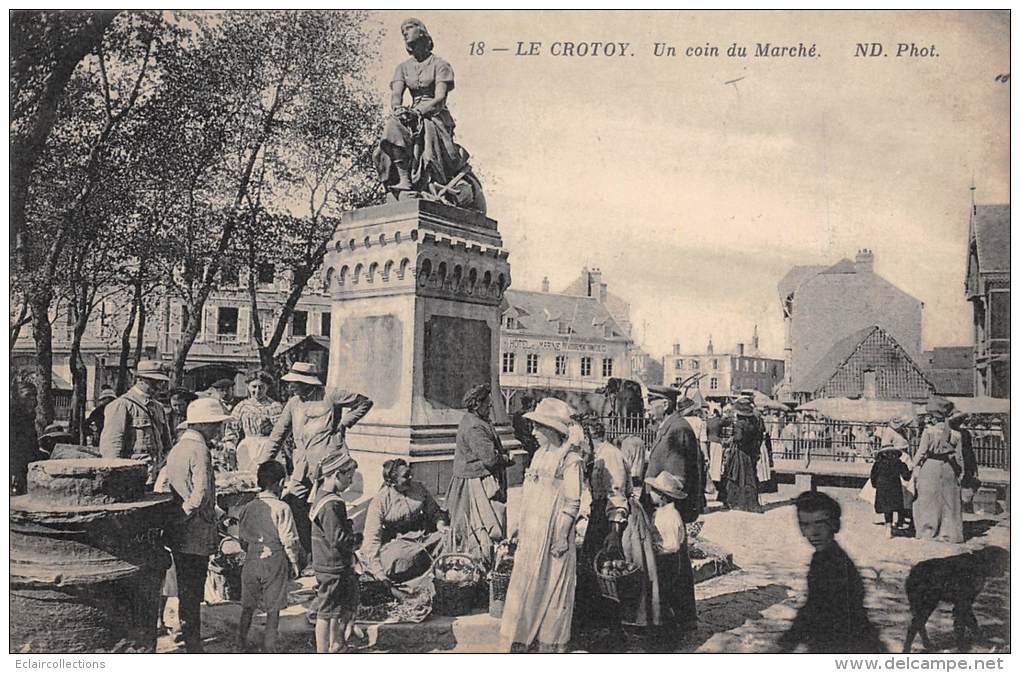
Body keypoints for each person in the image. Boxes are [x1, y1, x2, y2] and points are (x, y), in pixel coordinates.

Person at [258, 361, 373, 556]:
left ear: (306, 383)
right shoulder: (293, 403)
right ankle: (307, 550)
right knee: (293, 504)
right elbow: (278, 435)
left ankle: (331, 551)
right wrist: (263, 465)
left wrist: (344, 423)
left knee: (326, 508)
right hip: (302, 465)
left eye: (294, 382)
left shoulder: (331, 395)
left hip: (329, 464)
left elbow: (364, 402)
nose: (290, 386)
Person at [374, 18, 485, 212]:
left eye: (409, 29)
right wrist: (399, 109)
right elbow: (396, 96)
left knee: (428, 130)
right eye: (403, 32)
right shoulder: (402, 67)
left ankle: (432, 175)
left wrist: (418, 112)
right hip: (410, 113)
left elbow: (440, 99)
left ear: (422, 33)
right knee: (392, 125)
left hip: (435, 114)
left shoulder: (440, 65)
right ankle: (404, 180)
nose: (405, 34)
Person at [499, 398, 584, 653]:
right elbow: (530, 493)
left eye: (538, 427)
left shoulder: (570, 460)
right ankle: (523, 639)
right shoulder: (538, 455)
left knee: (551, 585)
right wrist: (518, 524)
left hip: (553, 535)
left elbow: (572, 501)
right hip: (533, 534)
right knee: (527, 584)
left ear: (552, 430)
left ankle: (548, 645)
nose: (534, 433)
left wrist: (560, 536)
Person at [162, 398, 232, 653]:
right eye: (214, 425)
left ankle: (184, 632)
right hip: (195, 530)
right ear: (202, 424)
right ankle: (193, 645)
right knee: (193, 589)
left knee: (185, 587)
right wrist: (187, 513)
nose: (217, 430)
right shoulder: (199, 449)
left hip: (181, 530)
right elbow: (200, 493)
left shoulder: (178, 447)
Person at [777, 491, 883, 653]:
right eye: (805, 525)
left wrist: (788, 643)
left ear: (834, 525)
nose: (813, 532)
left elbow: (817, 608)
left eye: (820, 523)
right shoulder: (822, 557)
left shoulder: (834, 563)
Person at [236, 460, 302, 654]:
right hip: (274, 559)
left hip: (252, 558)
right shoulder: (282, 508)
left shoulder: (248, 507)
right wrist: (295, 563)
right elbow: (290, 541)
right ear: (280, 483)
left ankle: (240, 644)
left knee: (248, 607)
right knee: (273, 610)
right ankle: (269, 648)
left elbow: (242, 539)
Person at [446, 383, 511, 565]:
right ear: (476, 404)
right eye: (487, 403)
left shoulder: (476, 421)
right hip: (477, 485)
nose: (490, 406)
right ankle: (479, 566)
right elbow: (490, 458)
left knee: (482, 527)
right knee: (482, 526)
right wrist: (507, 458)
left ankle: (480, 565)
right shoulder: (474, 427)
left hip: (477, 479)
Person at [575, 419, 629, 631]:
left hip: (609, 517)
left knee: (603, 570)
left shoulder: (610, 455)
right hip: (597, 513)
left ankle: (610, 626)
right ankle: (593, 622)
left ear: (589, 437)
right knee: (590, 567)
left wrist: (615, 531)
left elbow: (617, 494)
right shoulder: (595, 455)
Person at [360, 459, 448, 584]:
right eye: (406, 476)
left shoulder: (419, 488)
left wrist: (440, 525)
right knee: (399, 559)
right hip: (397, 543)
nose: (411, 477)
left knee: (448, 537)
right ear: (392, 481)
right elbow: (372, 538)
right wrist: (378, 572)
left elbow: (435, 512)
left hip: (423, 537)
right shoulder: (380, 501)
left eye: (410, 473)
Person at [309, 450, 360, 654]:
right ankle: (323, 651)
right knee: (325, 612)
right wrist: (355, 540)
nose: (351, 482)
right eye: (348, 477)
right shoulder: (331, 504)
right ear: (337, 474)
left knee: (334, 609)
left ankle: (336, 644)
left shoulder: (323, 497)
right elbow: (337, 538)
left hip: (328, 563)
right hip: (332, 565)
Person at [100, 360, 174, 487]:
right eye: (153, 381)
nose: (158, 386)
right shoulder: (122, 405)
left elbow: (167, 444)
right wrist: (117, 479)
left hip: (156, 477)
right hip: (132, 477)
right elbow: (111, 448)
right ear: (139, 379)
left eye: (160, 382)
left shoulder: (158, 407)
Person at [618, 435, 662, 629]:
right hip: (638, 514)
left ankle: (637, 614)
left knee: (633, 560)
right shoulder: (641, 470)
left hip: (631, 517)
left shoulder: (624, 467)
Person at [645, 471, 692, 637]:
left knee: (667, 593)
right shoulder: (660, 512)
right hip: (662, 557)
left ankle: (670, 630)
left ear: (663, 496)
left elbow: (672, 544)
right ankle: (664, 627)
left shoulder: (671, 516)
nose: (650, 493)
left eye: (654, 491)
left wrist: (658, 549)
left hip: (668, 559)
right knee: (662, 594)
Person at [912, 397, 965, 543]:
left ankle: (927, 531)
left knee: (928, 500)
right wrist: (960, 473)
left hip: (930, 466)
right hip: (949, 467)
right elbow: (959, 458)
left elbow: (922, 451)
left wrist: (912, 466)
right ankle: (948, 533)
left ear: (933, 416)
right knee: (949, 500)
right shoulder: (956, 434)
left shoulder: (929, 431)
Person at [224, 371, 285, 473]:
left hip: (268, 446)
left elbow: (281, 431)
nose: (257, 390)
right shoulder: (241, 406)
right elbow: (232, 428)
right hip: (247, 447)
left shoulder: (275, 407)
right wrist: (230, 444)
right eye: (254, 387)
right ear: (248, 386)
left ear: (267, 387)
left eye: (261, 387)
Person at [722, 397, 763, 513]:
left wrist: (732, 439)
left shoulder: (740, 424)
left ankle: (736, 502)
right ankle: (750, 503)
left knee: (736, 475)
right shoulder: (754, 423)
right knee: (749, 477)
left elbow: (739, 437)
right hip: (750, 452)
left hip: (740, 452)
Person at [870, 447, 912, 537]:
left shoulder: (878, 463)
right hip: (894, 486)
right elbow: (906, 477)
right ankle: (900, 523)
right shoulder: (898, 463)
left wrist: (875, 485)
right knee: (897, 506)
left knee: (886, 508)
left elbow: (873, 476)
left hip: (882, 486)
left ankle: (888, 527)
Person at [11, 380, 41, 495]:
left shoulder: (29, 415)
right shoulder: (12, 415)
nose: (33, 399)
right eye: (28, 395)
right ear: (16, 397)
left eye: (34, 395)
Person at [512, 396, 539, 468]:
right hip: (527, 441)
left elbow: (514, 427)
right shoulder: (528, 415)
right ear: (528, 404)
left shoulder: (516, 414)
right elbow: (529, 429)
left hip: (519, 438)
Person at [705, 408, 726, 498]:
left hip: (709, 442)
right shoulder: (720, 421)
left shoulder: (708, 421)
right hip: (717, 442)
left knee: (710, 463)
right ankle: (716, 481)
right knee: (716, 464)